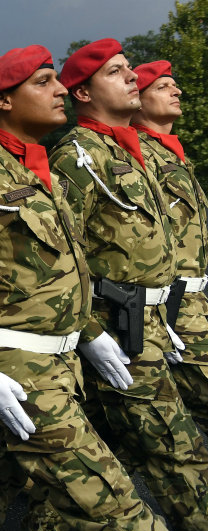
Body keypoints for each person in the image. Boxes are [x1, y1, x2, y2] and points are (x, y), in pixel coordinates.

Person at [0, 43, 191, 531]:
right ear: (3, 101)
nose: (60, 90)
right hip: (21, 370)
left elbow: (69, 271)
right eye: (42, 82)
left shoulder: (40, 175)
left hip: (62, 365)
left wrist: (88, 332)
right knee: (118, 511)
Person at [25, 37, 208, 531]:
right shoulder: (78, 157)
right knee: (178, 454)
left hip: (156, 317)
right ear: (82, 92)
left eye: (131, 69)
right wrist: (91, 332)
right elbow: (63, 253)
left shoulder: (128, 148)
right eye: (117, 72)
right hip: (119, 328)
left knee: (107, 452)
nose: (133, 78)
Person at [131, 60, 208, 430]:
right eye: (163, 87)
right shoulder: (138, 158)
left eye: (175, 86)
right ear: (138, 101)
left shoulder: (175, 156)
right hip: (174, 307)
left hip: (195, 301)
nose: (177, 92)